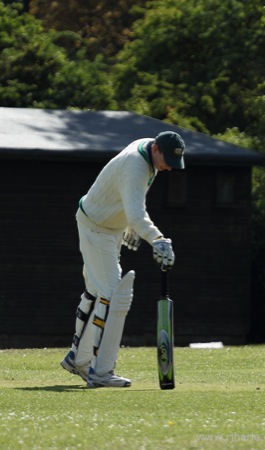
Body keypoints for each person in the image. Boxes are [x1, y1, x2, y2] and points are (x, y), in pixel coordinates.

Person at [61, 130, 185, 388]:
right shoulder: (137, 165)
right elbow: (137, 211)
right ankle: (100, 371)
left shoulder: (146, 152)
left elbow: (127, 198)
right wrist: (158, 239)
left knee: (97, 292)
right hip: (98, 228)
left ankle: (78, 358)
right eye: (167, 162)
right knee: (113, 295)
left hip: (104, 225)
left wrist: (127, 225)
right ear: (156, 149)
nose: (169, 169)